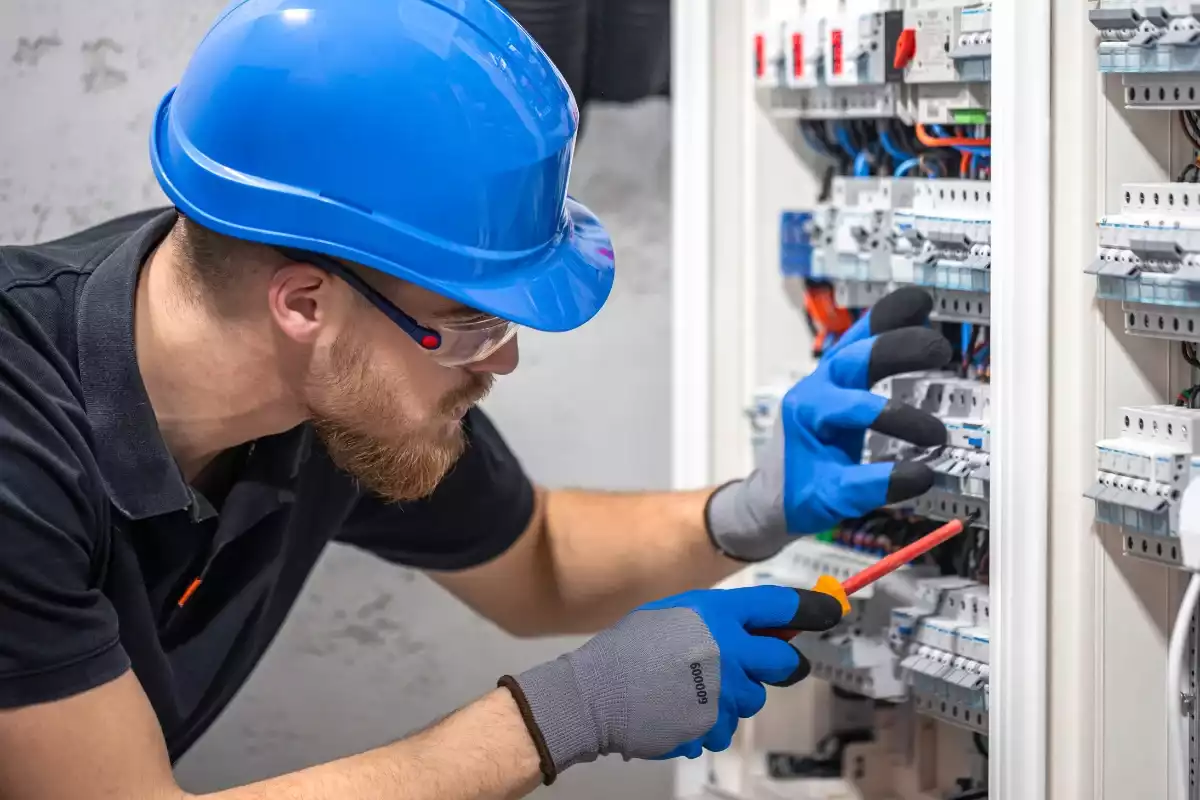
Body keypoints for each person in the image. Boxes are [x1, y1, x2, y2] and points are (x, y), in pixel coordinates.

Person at [0, 1, 952, 798]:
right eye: (468, 322)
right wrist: (567, 713)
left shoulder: (328, 392)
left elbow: (534, 558)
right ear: (302, 304)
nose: (500, 364)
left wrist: (748, 513)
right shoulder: (16, 443)